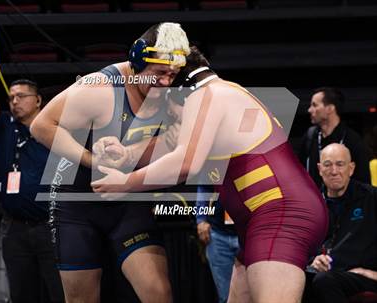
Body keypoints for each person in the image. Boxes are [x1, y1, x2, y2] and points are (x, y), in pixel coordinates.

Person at [91, 46, 329, 303]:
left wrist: (127, 183)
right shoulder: (217, 96)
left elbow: (184, 164)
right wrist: (126, 154)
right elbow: (169, 146)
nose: (168, 114)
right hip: (265, 219)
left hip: (281, 216)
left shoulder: (211, 96)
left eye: (166, 102)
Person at [30, 23, 191, 303]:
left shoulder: (170, 95)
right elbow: (41, 126)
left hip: (126, 201)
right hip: (76, 204)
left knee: (159, 293)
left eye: (172, 74)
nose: (166, 82)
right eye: (160, 73)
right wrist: (90, 159)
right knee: (82, 299)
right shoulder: (98, 88)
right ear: (137, 62)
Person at [0, 42, 64, 303]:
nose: (15, 101)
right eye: (11, 97)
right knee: (22, 294)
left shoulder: (54, 129)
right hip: (14, 228)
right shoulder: (4, 126)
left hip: (50, 226)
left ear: (38, 100)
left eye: (21, 96)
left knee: (60, 292)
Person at [306, 143, 377, 303]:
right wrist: (312, 261)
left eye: (340, 164)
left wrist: (374, 274)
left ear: (351, 168)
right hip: (325, 274)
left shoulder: (371, 198)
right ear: (319, 169)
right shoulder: (311, 205)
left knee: (324, 281)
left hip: (362, 276)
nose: (334, 171)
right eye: (327, 165)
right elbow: (301, 247)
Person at [298, 87, 370, 188]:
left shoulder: (352, 140)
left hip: (344, 203)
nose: (309, 110)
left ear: (330, 109)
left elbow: (363, 184)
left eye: (314, 105)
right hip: (315, 202)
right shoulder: (310, 137)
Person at [196, 186, 239, 303]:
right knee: (225, 296)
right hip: (218, 234)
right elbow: (204, 187)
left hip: (249, 234)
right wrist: (201, 219)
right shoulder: (216, 167)